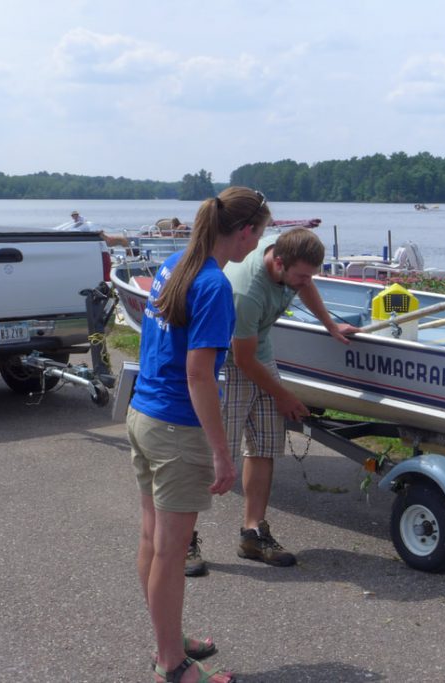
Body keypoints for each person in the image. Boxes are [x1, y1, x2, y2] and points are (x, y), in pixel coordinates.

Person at [127, 187, 269, 683]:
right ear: (246, 231)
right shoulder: (214, 286)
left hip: (143, 414)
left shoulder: (175, 265)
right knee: (170, 550)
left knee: (153, 540)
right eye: (261, 234)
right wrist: (222, 454)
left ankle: (167, 640)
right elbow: (199, 375)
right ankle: (172, 664)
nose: (258, 245)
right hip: (175, 428)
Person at [185, 227, 359, 575]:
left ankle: (253, 534)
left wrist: (331, 326)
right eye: (299, 276)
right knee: (213, 453)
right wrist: (285, 396)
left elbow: (306, 284)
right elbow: (243, 359)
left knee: (264, 445)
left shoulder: (290, 261)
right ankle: (183, 539)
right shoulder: (246, 292)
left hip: (260, 356)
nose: (304, 282)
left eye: (309, 275)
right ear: (278, 263)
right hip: (231, 363)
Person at [66, 209, 131, 249]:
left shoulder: (81, 219)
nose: (74, 216)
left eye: (75, 215)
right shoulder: (74, 222)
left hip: (88, 232)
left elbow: (83, 224)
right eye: (73, 215)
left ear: (77, 215)